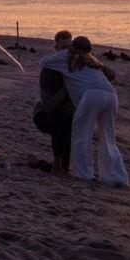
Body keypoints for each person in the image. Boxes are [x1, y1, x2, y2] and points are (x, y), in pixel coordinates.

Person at [65, 36, 129, 186]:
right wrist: (100, 65)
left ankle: (85, 174)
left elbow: (46, 61)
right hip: (111, 96)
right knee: (108, 137)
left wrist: (64, 50)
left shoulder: (69, 59)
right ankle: (115, 176)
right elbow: (112, 74)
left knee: (82, 133)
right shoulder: (95, 63)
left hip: (92, 95)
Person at [34, 29, 76, 174]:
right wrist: (66, 89)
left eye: (70, 48)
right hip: (44, 113)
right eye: (64, 48)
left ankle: (64, 165)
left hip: (66, 113)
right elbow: (48, 105)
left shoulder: (74, 67)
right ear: (56, 48)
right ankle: (57, 164)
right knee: (62, 121)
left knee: (71, 120)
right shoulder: (48, 71)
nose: (67, 52)